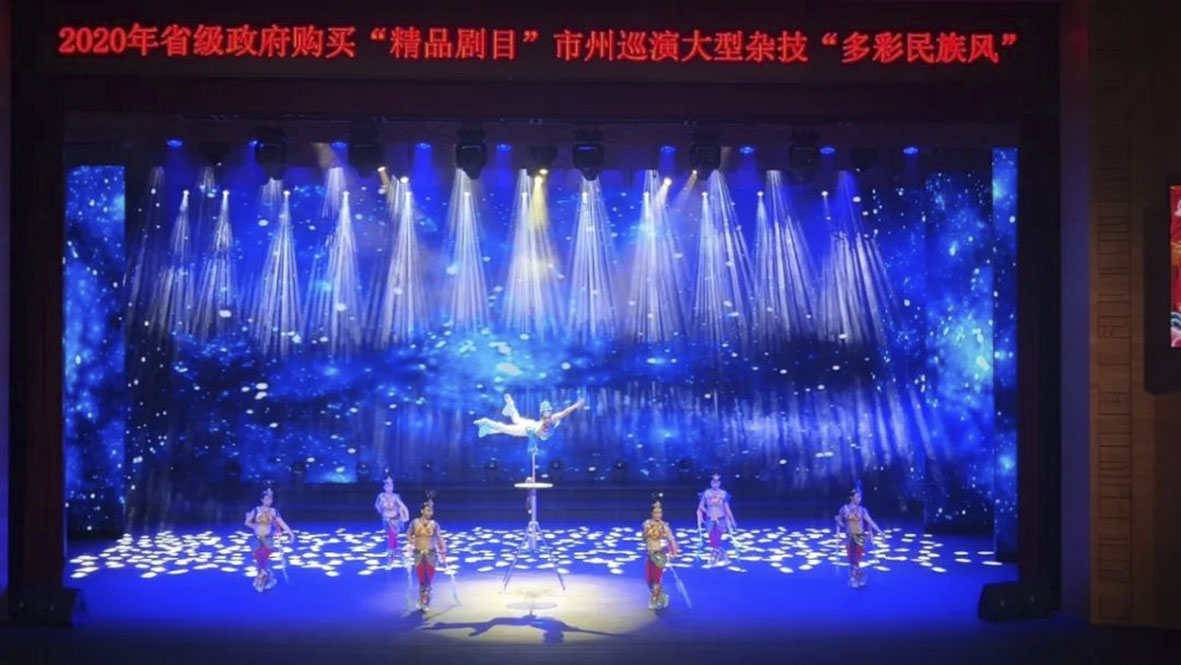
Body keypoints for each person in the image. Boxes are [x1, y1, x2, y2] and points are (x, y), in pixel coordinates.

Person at [474, 393, 585, 454]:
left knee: (516, 420)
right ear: (542, 416)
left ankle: (510, 406)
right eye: (545, 417)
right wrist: (533, 447)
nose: (547, 420)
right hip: (528, 428)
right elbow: (534, 435)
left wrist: (576, 405)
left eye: (548, 417)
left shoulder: (554, 418)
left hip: (532, 425)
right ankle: (485, 422)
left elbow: (566, 412)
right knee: (506, 429)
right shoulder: (541, 426)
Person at [244, 485, 293, 593]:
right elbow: (247, 522)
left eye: (270, 499)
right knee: (259, 559)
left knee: (264, 558)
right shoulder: (256, 510)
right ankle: (263, 579)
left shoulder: (273, 511)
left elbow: (282, 523)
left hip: (268, 538)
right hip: (257, 538)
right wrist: (255, 526)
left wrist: (291, 533)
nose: (268, 501)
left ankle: (264, 579)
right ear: (262, 500)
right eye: (266, 499)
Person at [406, 492, 448, 611]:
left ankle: (426, 599)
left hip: (431, 553)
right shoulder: (414, 522)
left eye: (431, 511)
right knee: (421, 578)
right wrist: (413, 543)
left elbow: (439, 538)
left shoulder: (434, 524)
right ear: (422, 511)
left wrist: (443, 549)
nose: (430, 513)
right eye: (428, 510)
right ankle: (421, 599)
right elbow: (408, 534)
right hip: (418, 553)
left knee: (428, 578)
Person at [834, 486, 883, 588]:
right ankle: (857, 577)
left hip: (859, 536)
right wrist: (838, 521)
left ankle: (857, 577)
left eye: (860, 497)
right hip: (849, 536)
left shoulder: (862, 510)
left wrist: (879, 531)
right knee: (852, 560)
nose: (859, 499)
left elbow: (870, 521)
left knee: (856, 559)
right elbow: (840, 521)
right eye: (857, 497)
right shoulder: (844, 509)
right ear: (851, 498)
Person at [642, 493, 680, 610]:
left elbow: (671, 539)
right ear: (651, 513)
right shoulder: (646, 524)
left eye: (660, 512)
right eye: (656, 512)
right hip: (650, 555)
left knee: (656, 580)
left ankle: (654, 601)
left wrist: (674, 551)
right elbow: (645, 538)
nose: (658, 515)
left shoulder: (664, 526)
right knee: (649, 580)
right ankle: (663, 597)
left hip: (660, 556)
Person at [696, 472, 737, 566]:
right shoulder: (707, 493)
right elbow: (701, 506)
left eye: (717, 482)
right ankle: (719, 555)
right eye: (713, 482)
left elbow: (727, 508)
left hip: (720, 518)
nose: (715, 484)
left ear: (720, 483)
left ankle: (716, 556)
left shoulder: (723, 494)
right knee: (712, 539)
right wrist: (707, 512)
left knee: (717, 538)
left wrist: (732, 520)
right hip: (710, 519)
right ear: (711, 482)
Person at [374, 473, 409, 566]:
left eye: (391, 485)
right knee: (392, 538)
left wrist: (405, 515)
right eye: (387, 485)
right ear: (384, 487)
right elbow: (378, 507)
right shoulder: (381, 496)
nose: (389, 487)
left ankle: (393, 557)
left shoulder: (395, 496)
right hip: (387, 521)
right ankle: (398, 557)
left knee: (393, 538)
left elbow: (402, 506)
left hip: (396, 521)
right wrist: (382, 507)